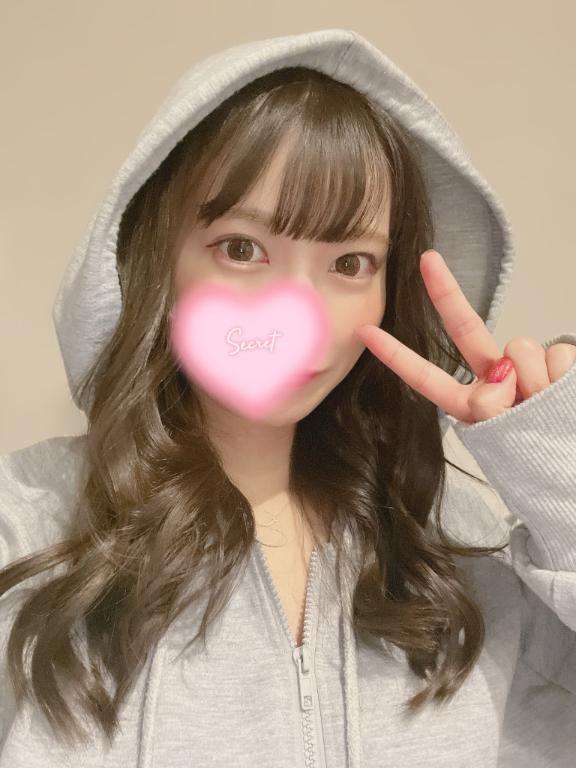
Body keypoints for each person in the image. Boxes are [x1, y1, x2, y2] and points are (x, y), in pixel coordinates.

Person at [1, 27, 575, 768]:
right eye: (242, 249)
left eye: (351, 263)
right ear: (155, 262)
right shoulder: (29, 525)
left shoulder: (455, 550)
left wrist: (562, 484)